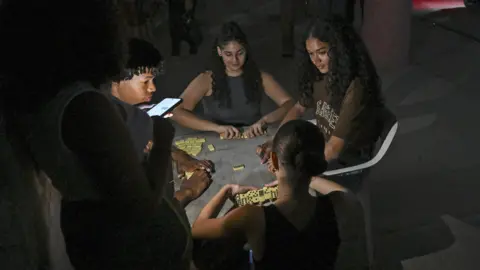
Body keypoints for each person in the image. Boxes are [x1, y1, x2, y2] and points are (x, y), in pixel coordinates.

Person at [0, 0, 193, 269]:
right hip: (132, 249)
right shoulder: (84, 107)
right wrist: (162, 140)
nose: (122, 31)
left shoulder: (47, 101)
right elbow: (141, 207)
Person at [191, 120, 347, 269]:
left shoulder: (252, 216)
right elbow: (342, 191)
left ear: (273, 159)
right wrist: (305, 176)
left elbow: (197, 229)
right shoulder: (341, 204)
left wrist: (226, 191)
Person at [258, 18, 384, 193]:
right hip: (324, 144)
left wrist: (293, 174)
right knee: (278, 162)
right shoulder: (320, 76)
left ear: (339, 50)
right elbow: (298, 108)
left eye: (322, 52)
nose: (316, 61)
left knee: (289, 185)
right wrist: (278, 141)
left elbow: (333, 149)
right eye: (311, 54)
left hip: (349, 159)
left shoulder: (356, 88)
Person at [110, 37, 213, 205]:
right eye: (145, 81)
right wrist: (187, 192)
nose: (153, 88)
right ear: (117, 80)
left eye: (153, 80)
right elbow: (140, 212)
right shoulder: (113, 135)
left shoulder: (133, 113)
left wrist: (179, 155)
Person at [171, 21, 294, 139]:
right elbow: (176, 112)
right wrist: (216, 128)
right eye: (228, 54)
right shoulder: (206, 79)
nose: (235, 60)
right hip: (217, 139)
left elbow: (289, 103)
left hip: (253, 137)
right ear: (219, 52)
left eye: (240, 53)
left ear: (246, 50)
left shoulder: (261, 77)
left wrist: (265, 120)